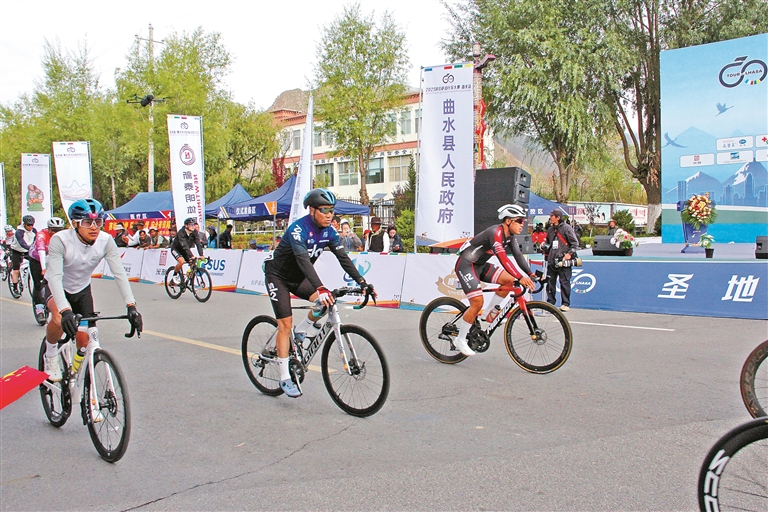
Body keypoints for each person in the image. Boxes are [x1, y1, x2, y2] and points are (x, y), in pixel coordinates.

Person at [263, 188, 373, 398]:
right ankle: (285, 377)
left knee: (326, 302)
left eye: (332, 210)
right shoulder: (298, 230)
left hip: (298, 278)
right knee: (285, 325)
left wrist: (362, 281)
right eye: (324, 210)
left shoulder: (330, 232)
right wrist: (320, 287)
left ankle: (302, 330)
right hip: (278, 277)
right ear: (312, 210)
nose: (329, 215)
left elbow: (343, 258)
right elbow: (303, 261)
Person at [42, 199, 143, 383]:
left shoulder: (105, 241)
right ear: (75, 224)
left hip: (81, 289)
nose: (94, 227)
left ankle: (74, 374)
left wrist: (131, 306)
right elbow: (55, 277)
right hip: (56, 287)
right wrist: (65, 311)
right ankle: (50, 355)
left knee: (84, 341)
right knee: (57, 319)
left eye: (98, 222)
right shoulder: (61, 240)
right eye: (87, 222)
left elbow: (119, 273)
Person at [452, 204, 536, 356]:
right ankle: (460, 339)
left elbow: (518, 256)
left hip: (480, 265)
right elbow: (503, 259)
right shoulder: (496, 233)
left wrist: (530, 274)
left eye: (523, 221)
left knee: (509, 281)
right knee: (477, 302)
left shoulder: (510, 237)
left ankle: (488, 314)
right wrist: (520, 276)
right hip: (466, 264)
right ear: (508, 221)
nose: (522, 224)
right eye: (519, 221)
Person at [27, 217, 67, 322]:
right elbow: (41, 251)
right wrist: (43, 268)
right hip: (36, 258)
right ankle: (39, 310)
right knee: (38, 284)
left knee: (54, 281)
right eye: (54, 230)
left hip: (51, 258)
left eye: (59, 230)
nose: (56, 233)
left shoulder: (64, 236)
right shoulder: (41, 235)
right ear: (48, 229)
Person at [543, 209, 580, 312]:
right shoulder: (550, 230)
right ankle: (550, 303)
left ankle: (565, 303)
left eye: (552, 216)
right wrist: (544, 247)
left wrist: (569, 254)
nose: (550, 218)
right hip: (552, 260)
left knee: (564, 282)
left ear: (558, 217)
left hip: (563, 261)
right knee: (550, 283)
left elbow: (575, 243)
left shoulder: (566, 228)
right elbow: (548, 243)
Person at [9, 215, 37, 294]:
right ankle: (15, 288)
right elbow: (22, 243)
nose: (30, 227)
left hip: (27, 251)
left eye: (32, 225)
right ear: (24, 224)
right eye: (28, 225)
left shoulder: (34, 231)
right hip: (17, 250)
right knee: (16, 270)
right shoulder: (19, 232)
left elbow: (37, 240)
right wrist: (31, 249)